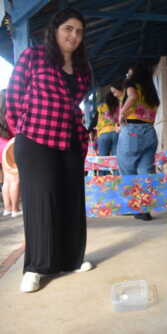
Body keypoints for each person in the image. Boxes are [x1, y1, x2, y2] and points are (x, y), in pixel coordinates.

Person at [5, 8, 93, 293]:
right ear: (55, 30)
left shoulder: (82, 69)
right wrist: (21, 130)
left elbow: (77, 101)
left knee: (71, 198)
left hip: (69, 139)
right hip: (35, 138)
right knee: (41, 201)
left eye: (79, 31)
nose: (73, 36)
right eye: (68, 29)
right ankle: (36, 267)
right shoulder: (33, 57)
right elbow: (15, 97)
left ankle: (71, 259)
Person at [116, 64, 159, 221]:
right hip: (150, 131)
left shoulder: (131, 84)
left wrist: (121, 115)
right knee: (146, 172)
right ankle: (145, 209)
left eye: (130, 70)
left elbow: (132, 97)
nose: (128, 72)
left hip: (132, 131)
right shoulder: (152, 93)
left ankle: (132, 207)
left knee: (127, 171)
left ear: (135, 72)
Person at [0, 90, 21, 217]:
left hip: (1, 147)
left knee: (7, 180)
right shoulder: (9, 115)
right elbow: (15, 130)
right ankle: (15, 209)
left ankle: (7, 208)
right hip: (8, 147)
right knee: (15, 179)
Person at [93, 86, 121, 174]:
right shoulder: (118, 106)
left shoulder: (101, 107)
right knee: (115, 158)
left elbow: (94, 122)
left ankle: (102, 180)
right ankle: (117, 178)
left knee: (103, 160)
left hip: (103, 134)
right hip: (116, 132)